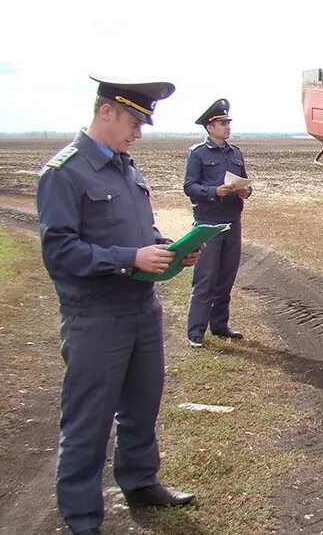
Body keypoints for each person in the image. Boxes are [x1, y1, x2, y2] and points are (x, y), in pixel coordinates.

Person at [36, 75, 200, 535]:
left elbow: (138, 233)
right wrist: (130, 258)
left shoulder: (126, 168)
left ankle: (141, 482)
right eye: (133, 122)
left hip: (141, 309)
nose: (138, 133)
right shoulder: (64, 173)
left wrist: (168, 249)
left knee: (141, 407)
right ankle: (83, 518)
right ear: (105, 111)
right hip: (95, 317)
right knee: (88, 422)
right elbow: (60, 252)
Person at [183, 98, 251, 347]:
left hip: (232, 221)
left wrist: (245, 191)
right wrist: (214, 191)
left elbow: (246, 183)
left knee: (226, 276)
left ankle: (220, 326)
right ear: (209, 127)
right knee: (205, 278)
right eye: (222, 123)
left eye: (228, 122)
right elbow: (189, 186)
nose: (227, 126)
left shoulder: (236, 153)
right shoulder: (198, 154)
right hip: (208, 223)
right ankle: (195, 332)